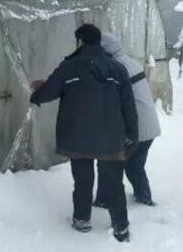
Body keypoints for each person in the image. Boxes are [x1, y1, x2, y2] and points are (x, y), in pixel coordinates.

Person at [29, 24, 138, 243]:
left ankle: (81, 220)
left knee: (83, 181)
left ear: (80, 41)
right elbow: (128, 106)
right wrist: (132, 134)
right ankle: (121, 228)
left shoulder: (69, 67)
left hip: (78, 137)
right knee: (114, 183)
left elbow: (51, 89)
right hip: (110, 138)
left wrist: (36, 96)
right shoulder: (117, 69)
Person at [95, 34, 161, 207]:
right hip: (149, 126)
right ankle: (144, 197)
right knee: (135, 166)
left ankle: (104, 201)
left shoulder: (115, 67)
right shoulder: (128, 61)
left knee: (108, 163)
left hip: (136, 128)